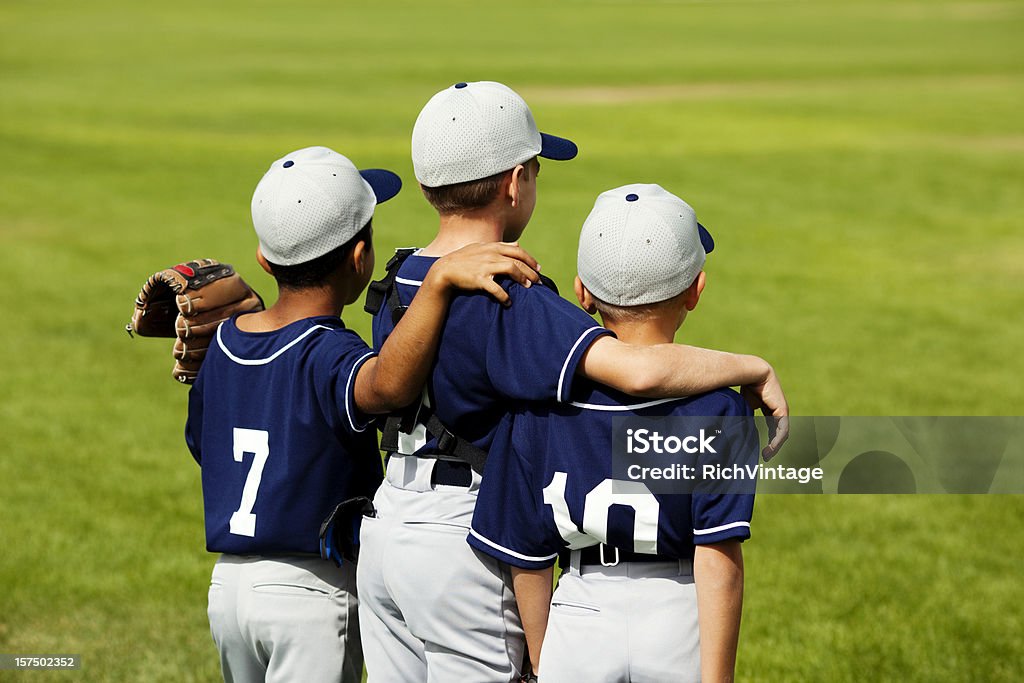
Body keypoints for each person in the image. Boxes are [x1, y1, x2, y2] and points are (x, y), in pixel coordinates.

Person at [356, 82, 787, 682]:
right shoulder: (511, 295)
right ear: (514, 182)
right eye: (533, 170)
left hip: (384, 530)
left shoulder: (402, 280)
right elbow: (637, 370)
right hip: (463, 537)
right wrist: (752, 366)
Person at [184, 145, 540, 683]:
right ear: (360, 258)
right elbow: (390, 385)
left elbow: (202, 445)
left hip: (228, 592)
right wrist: (439, 283)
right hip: (310, 596)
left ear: (263, 258)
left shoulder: (227, 345)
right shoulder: (331, 352)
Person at [470, 183, 758, 682]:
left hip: (581, 611)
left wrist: (542, 659)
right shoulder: (719, 409)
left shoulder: (540, 404)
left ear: (582, 293)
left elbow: (529, 558)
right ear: (696, 290)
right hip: (676, 613)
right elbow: (718, 560)